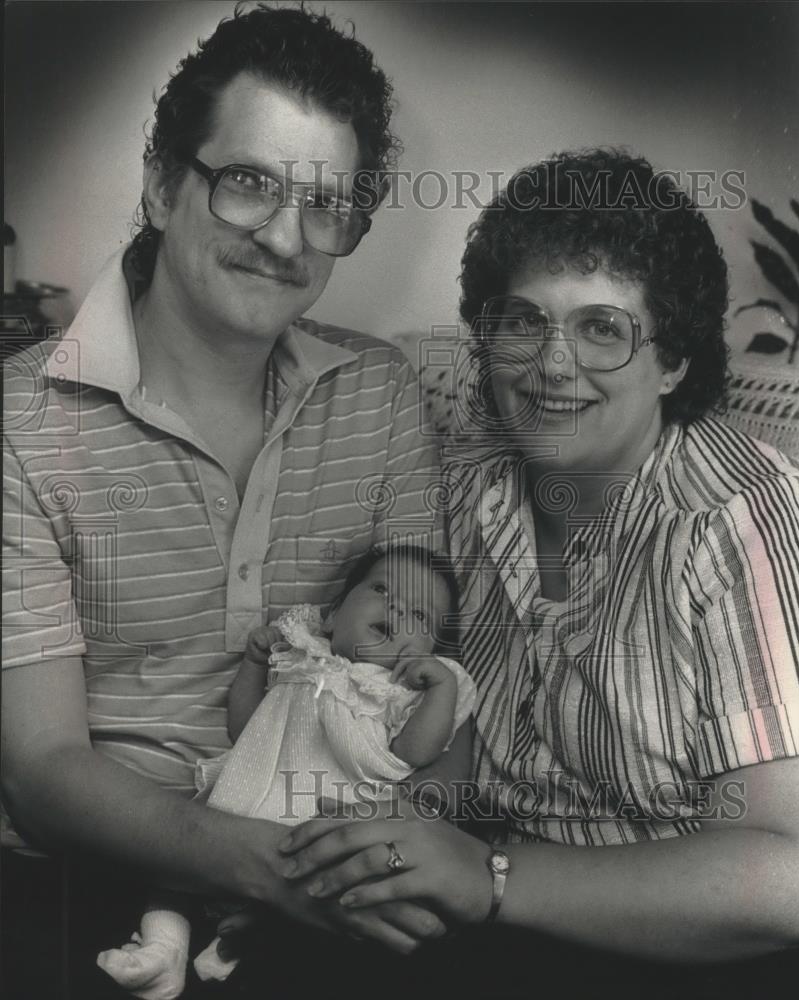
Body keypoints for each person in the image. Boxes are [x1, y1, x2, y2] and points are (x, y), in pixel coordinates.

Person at [271, 150, 799, 999]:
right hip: (481, 915)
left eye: (602, 327)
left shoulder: (736, 517)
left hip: (686, 951)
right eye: (523, 321)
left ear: (671, 362)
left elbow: (787, 877)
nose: (552, 365)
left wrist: (490, 877)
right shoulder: (461, 488)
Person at [2, 7, 458, 997]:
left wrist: (404, 845)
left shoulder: (378, 394)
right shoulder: (19, 424)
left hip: (332, 859)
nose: (287, 239)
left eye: (326, 205)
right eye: (251, 184)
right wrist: (275, 868)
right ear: (165, 185)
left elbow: (427, 662)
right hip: (86, 884)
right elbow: (40, 770)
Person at [97, 544, 475, 999]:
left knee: (319, 901)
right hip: (243, 801)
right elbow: (245, 727)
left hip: (321, 817)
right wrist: (254, 667)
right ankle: (163, 949)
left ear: (430, 650)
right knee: (171, 864)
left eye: (420, 615)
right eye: (380, 588)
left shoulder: (399, 693)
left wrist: (439, 689)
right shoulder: (300, 656)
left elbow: (416, 751)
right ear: (332, 616)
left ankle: (239, 943)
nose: (396, 607)